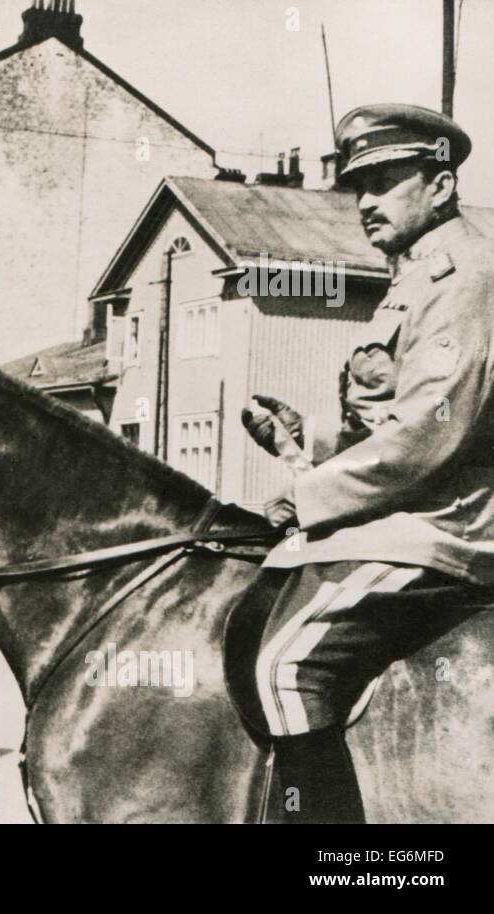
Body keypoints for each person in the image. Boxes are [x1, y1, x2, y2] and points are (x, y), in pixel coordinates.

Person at [240, 104, 494, 823]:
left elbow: (426, 438)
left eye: (385, 181)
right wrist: (310, 438)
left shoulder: (465, 276)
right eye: (359, 187)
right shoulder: (415, 275)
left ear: (440, 185)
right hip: (402, 515)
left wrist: (304, 497)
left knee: (286, 671)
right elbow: (391, 417)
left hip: (445, 527)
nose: (366, 203)